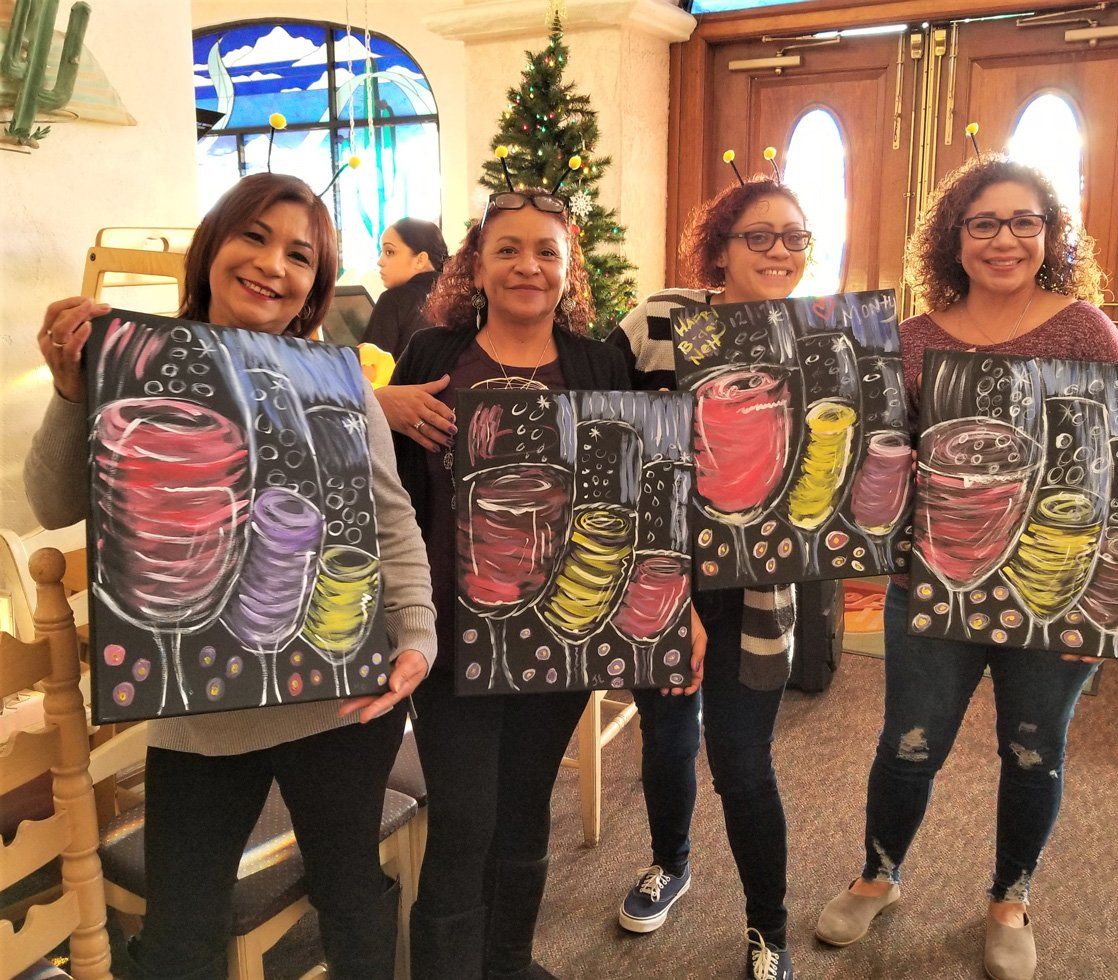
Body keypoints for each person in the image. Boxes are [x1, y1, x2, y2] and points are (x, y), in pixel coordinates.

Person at [24, 172, 436, 980]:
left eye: (300, 254)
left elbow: (391, 519)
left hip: (334, 695)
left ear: (316, 283)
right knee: (182, 930)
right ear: (212, 246)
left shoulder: (339, 379)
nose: (273, 265)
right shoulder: (132, 362)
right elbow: (52, 501)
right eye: (254, 236)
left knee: (350, 892)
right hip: (197, 707)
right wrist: (74, 392)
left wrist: (416, 633)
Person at [376, 185, 704, 980]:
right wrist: (374, 403)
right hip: (453, 631)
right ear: (477, 266)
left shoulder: (598, 362)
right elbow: (373, 476)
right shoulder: (432, 354)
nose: (529, 265)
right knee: (464, 816)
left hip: (563, 633)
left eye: (547, 252)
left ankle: (508, 963)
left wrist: (674, 608)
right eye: (508, 249)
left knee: (525, 814)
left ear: (568, 270)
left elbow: (641, 488)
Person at [814, 155, 1118, 980]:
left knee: (1034, 751)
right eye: (983, 222)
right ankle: (878, 873)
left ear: (1050, 233)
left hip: (1049, 591)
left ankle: (1010, 898)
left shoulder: (1086, 331)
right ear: (954, 239)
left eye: (1024, 221)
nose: (1004, 239)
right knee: (908, 746)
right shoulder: (914, 339)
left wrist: (1101, 608)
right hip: (932, 583)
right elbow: (880, 465)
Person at [607, 173, 813, 979]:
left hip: (759, 587)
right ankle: (672, 863)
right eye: (758, 235)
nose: (779, 250)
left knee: (742, 761)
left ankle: (769, 929)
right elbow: (610, 441)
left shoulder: (815, 335)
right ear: (720, 244)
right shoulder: (659, 318)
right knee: (665, 737)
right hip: (662, 580)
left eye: (794, 236)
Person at [361, 217, 449, 358]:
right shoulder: (456, 298)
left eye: (389, 252)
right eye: (381, 252)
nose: (380, 261)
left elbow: (368, 372)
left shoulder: (393, 300)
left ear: (420, 260)